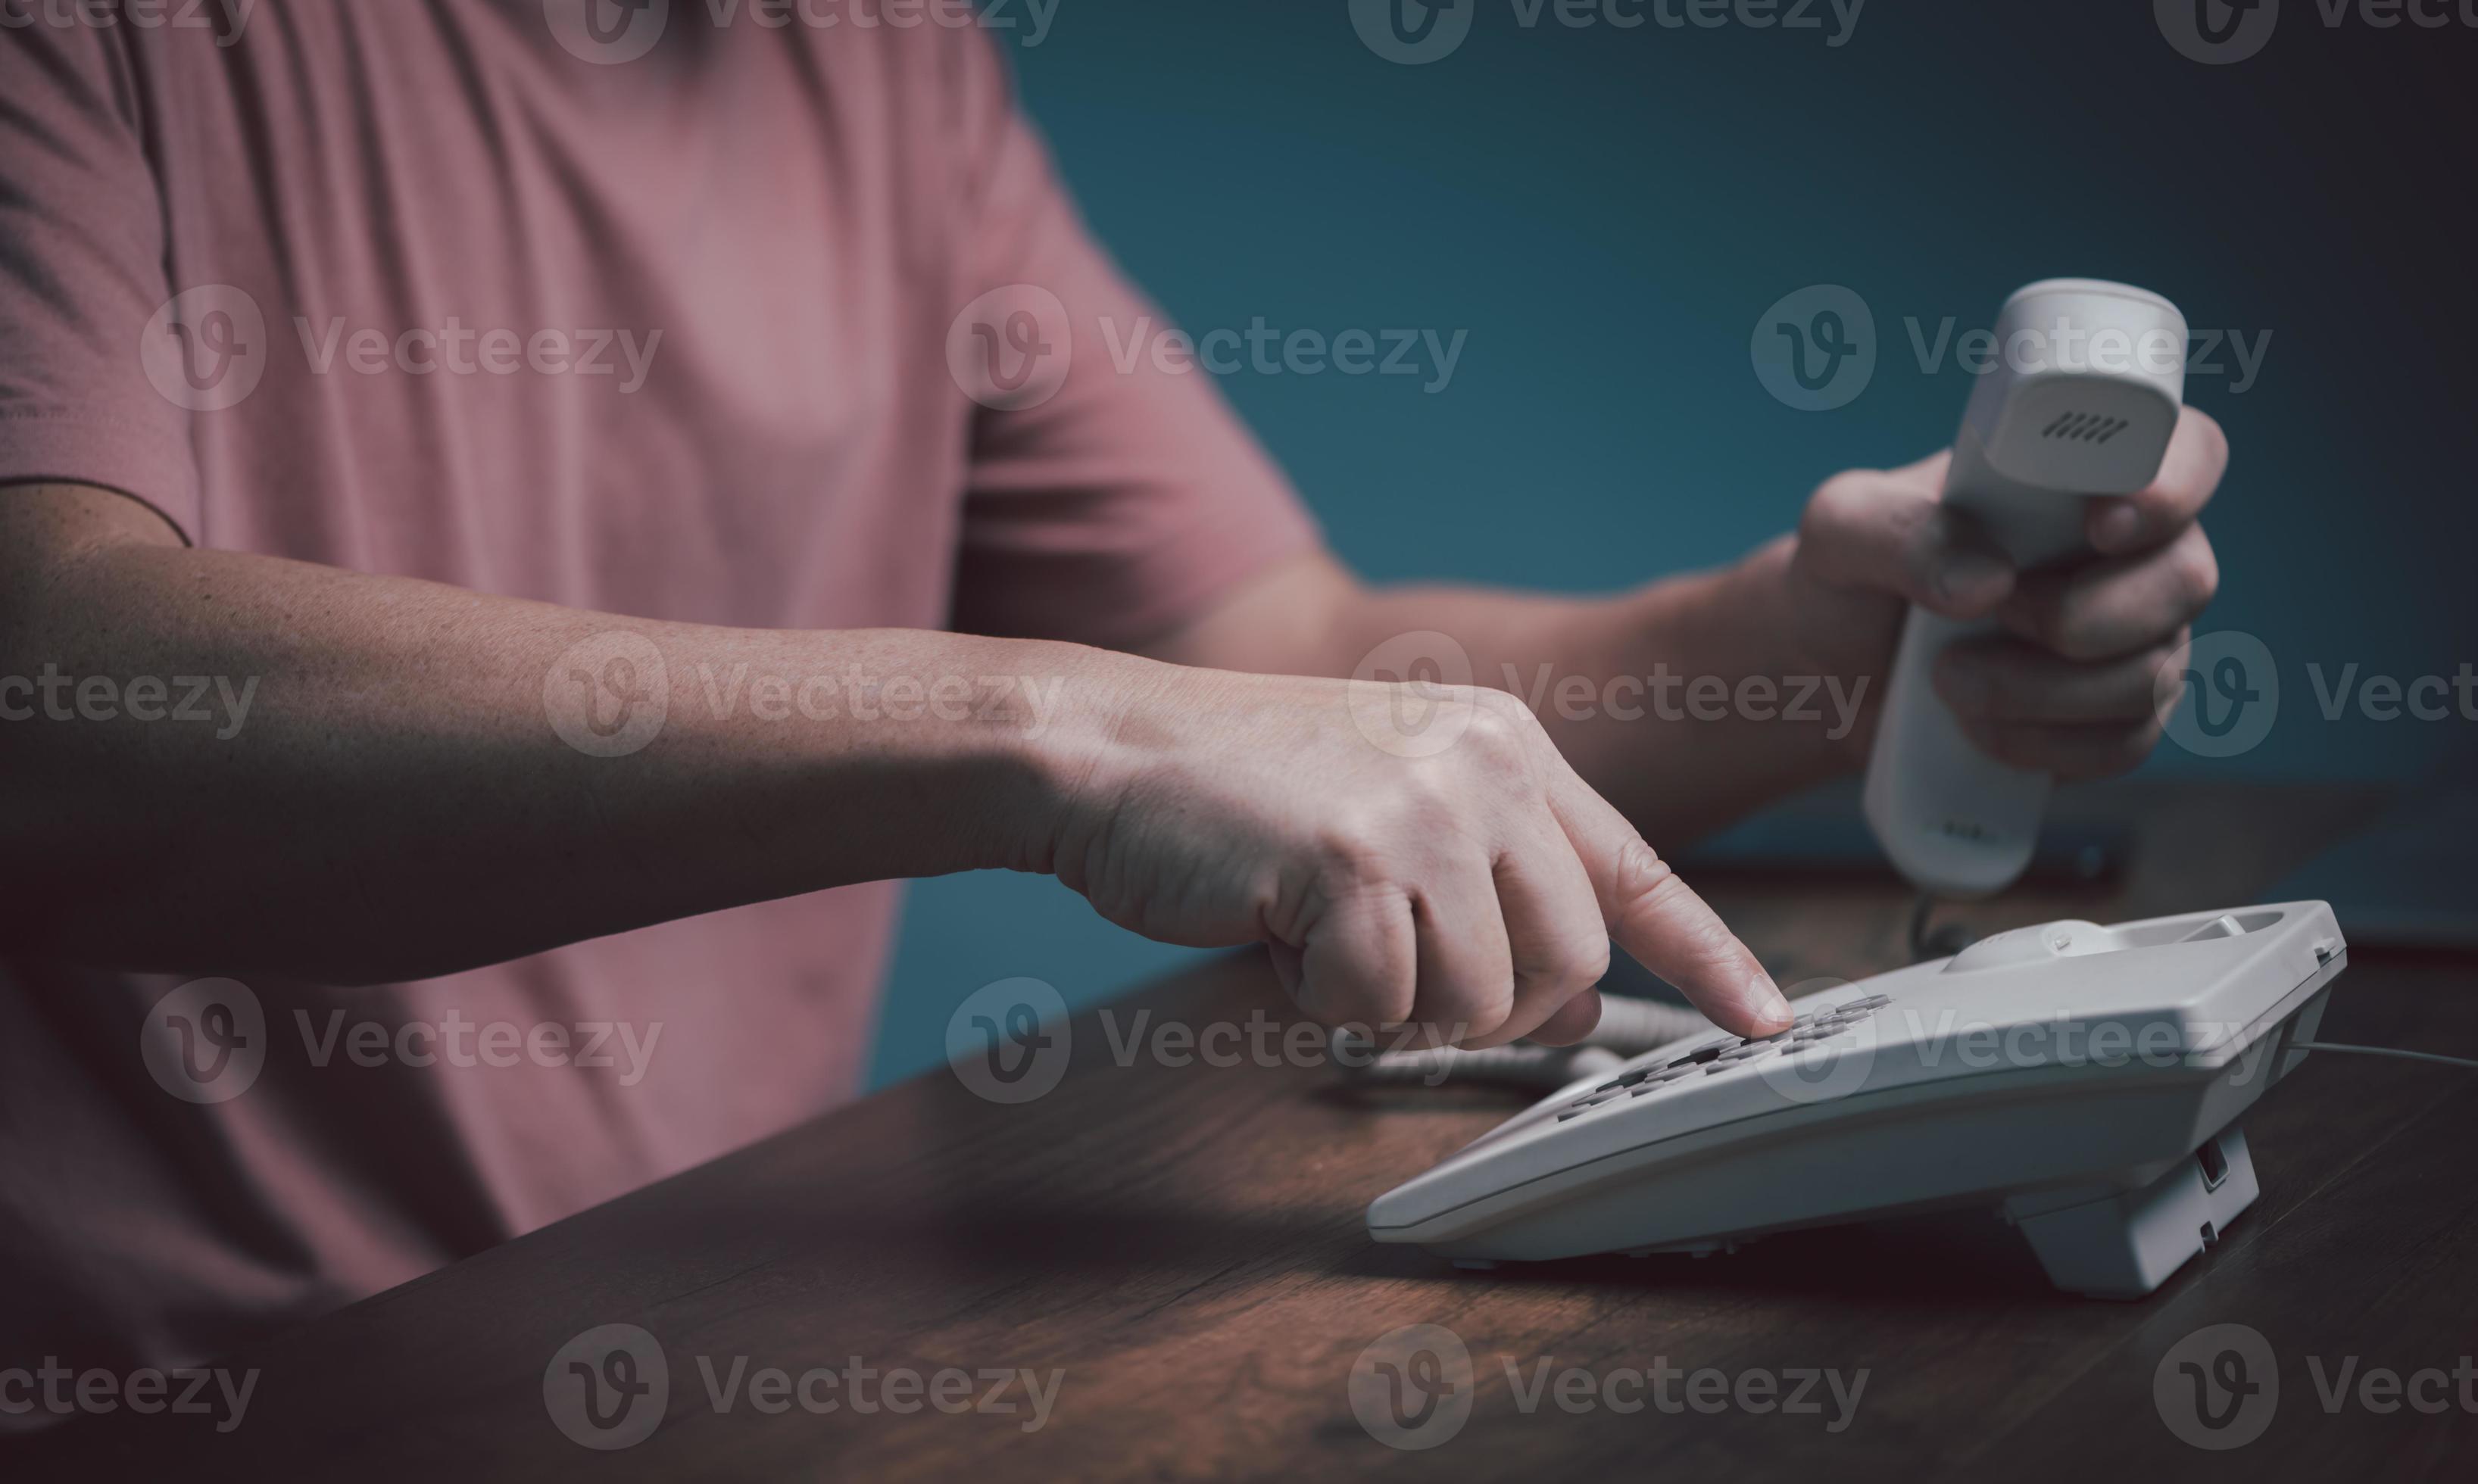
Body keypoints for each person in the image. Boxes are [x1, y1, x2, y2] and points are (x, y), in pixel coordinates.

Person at [0, 2, 2222, 1399]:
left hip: (693, 1354)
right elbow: (51, 690)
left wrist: (1826, 648)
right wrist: (1067, 733)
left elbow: (1277, 668)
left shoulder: (875, 59)